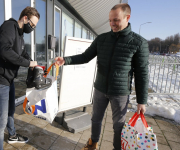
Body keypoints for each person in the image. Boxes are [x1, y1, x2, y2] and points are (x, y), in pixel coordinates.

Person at [55, 3, 149, 150]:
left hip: (120, 92)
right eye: (110, 20)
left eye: (116, 20)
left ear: (127, 17)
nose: (112, 24)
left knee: (118, 125)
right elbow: (85, 56)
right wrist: (65, 60)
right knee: (96, 119)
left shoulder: (139, 43)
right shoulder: (102, 39)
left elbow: (142, 73)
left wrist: (142, 101)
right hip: (100, 88)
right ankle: (93, 143)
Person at [0, 7, 40, 150]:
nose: (33, 28)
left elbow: (22, 53)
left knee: (10, 112)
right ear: (25, 18)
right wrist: (28, 63)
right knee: (1, 121)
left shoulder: (20, 35)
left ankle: (12, 135)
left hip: (8, 80)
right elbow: (5, 50)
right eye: (32, 25)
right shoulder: (9, 27)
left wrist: (33, 63)